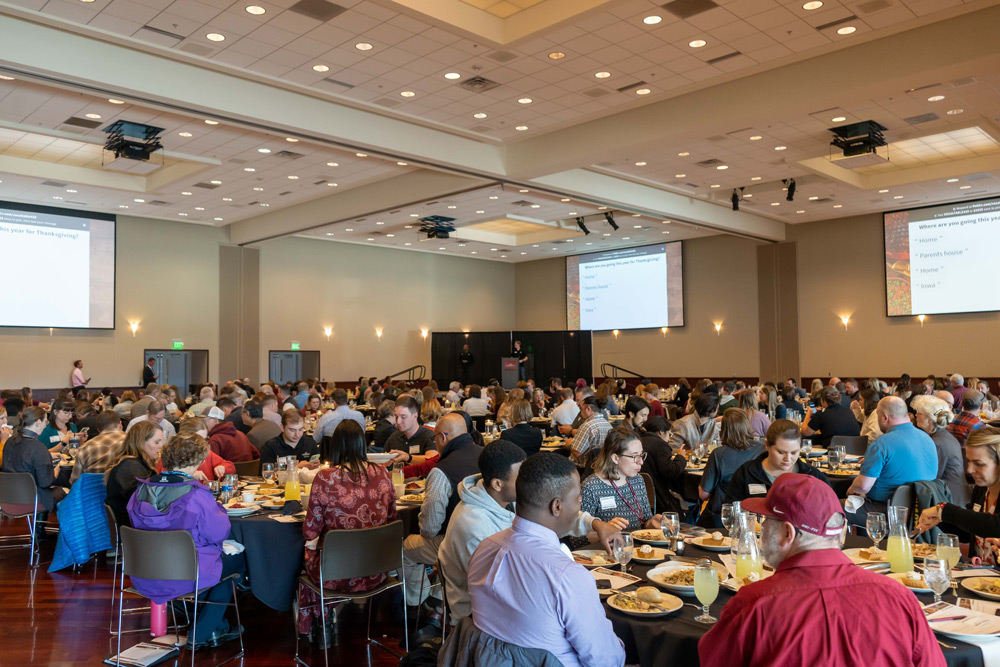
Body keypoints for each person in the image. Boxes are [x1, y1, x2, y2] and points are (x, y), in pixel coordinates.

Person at [700, 473, 945, 667]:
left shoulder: (753, 604)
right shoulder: (899, 598)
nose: (761, 531)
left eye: (765, 522)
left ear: (788, 533)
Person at [468, 452, 627, 667]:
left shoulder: (484, 548)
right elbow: (606, 661)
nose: (580, 505)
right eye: (578, 499)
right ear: (557, 507)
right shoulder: (567, 576)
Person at [439, 441, 625, 620]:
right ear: (497, 484)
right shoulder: (474, 525)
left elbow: (555, 514)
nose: (526, 481)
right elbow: (499, 591)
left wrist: (596, 524)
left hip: (519, 595)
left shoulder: (506, 497)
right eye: (520, 477)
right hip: (483, 618)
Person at [127, 434, 245, 649]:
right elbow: (218, 533)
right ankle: (201, 632)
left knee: (214, 563)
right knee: (237, 562)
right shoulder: (195, 495)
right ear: (199, 461)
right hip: (187, 573)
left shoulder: (140, 491)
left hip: (145, 570)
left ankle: (215, 626)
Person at [298, 420, 397, 637]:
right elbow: (392, 517)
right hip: (376, 569)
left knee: (304, 554)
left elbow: (310, 531)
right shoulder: (382, 472)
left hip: (335, 573)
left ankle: (319, 623)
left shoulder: (326, 477)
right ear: (363, 444)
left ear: (336, 447)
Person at [402, 413, 481, 612]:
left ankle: (419, 605)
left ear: (442, 437)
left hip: (457, 545)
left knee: (404, 548)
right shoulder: (487, 455)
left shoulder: (442, 470)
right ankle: (439, 596)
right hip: (490, 540)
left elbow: (429, 528)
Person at [844, 396, 939, 525]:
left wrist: (850, 490)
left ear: (884, 417)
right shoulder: (928, 439)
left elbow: (863, 487)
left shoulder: (881, 444)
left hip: (884, 511)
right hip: (920, 511)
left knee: (833, 507)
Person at [916, 427, 1000, 563]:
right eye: (969, 461)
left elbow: (994, 526)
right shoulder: (982, 489)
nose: (970, 470)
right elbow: (971, 532)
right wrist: (940, 520)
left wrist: (944, 510)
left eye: (978, 464)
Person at [578, 427, 663, 545]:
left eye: (641, 455)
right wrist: (604, 530)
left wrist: (652, 523)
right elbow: (577, 539)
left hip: (637, 549)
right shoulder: (591, 487)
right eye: (634, 456)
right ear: (615, 458)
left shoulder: (637, 480)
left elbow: (644, 522)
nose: (641, 462)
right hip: (606, 555)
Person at [726, 419, 829, 504]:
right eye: (781, 452)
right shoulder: (746, 473)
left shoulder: (812, 475)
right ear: (767, 445)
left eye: (794, 453)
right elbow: (733, 510)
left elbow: (830, 510)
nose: (787, 459)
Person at [699, 409, 765, 526]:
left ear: (724, 430)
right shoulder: (763, 450)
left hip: (724, 516)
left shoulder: (718, 454)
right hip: (756, 516)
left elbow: (703, 495)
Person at [1, 406, 68, 515]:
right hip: (32, 500)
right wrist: (58, 468)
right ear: (38, 422)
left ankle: (38, 529)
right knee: (67, 490)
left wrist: (48, 455)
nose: (46, 425)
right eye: (45, 422)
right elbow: (45, 482)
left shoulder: (10, 441)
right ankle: (40, 529)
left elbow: (22, 458)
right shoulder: (38, 447)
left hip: (7, 499)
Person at [912, 395, 969, 508]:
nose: (915, 415)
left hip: (950, 500)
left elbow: (930, 476)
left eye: (919, 413)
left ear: (929, 419)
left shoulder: (936, 442)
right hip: (952, 494)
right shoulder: (943, 436)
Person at [104, 421, 164, 526]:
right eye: (156, 442)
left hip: (135, 526)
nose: (161, 446)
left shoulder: (135, 464)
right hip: (134, 530)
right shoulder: (130, 467)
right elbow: (147, 504)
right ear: (141, 442)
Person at [639, 416, 688, 515]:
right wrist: (681, 457)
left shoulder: (639, 440)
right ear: (661, 432)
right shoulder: (660, 445)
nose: (670, 438)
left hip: (640, 492)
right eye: (669, 434)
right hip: (659, 496)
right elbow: (671, 471)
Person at [70, 410, 125, 484]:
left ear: (98, 430)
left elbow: (75, 481)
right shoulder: (132, 441)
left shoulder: (85, 447)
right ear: (120, 424)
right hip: (125, 493)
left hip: (93, 493)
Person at [385, 395, 436, 465]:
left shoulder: (428, 435)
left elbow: (432, 460)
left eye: (403, 417)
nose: (398, 421)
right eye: (396, 416)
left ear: (415, 416)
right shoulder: (394, 436)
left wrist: (408, 458)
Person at [568, 396, 612, 465]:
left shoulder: (588, 426)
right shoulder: (608, 425)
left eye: (581, 409)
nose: (581, 413)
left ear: (588, 409)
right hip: (602, 465)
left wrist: (569, 443)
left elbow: (577, 453)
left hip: (583, 468)